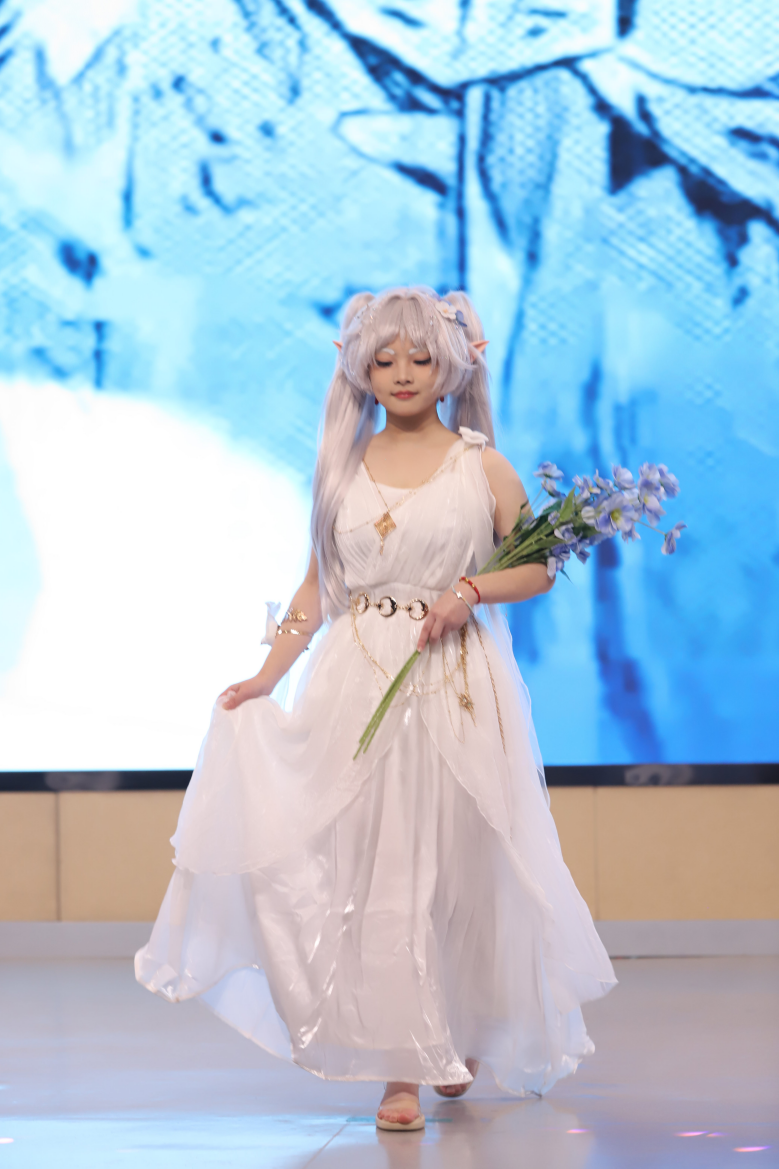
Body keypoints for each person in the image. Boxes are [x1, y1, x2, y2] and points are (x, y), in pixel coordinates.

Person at [135, 286, 615, 1132]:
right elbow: (314, 590)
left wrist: (469, 590)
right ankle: (403, 1062)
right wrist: (266, 674)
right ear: (359, 367)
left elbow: (538, 567)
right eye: (385, 358)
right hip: (355, 686)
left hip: (455, 679)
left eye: (420, 358)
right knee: (377, 865)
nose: (402, 373)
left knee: (456, 861)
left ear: (452, 365)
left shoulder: (482, 466)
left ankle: (453, 1031)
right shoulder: (342, 468)